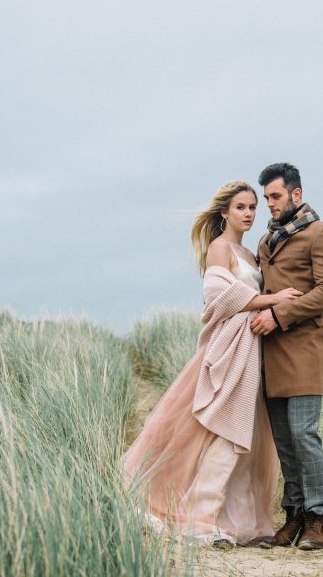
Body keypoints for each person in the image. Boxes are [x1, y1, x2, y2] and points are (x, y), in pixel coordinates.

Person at [121, 181, 300, 548]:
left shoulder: (250, 255)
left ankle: (227, 522)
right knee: (224, 432)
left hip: (253, 351)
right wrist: (271, 299)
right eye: (241, 207)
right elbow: (217, 295)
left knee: (245, 437)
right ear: (224, 213)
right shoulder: (220, 248)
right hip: (230, 348)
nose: (249, 213)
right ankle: (200, 523)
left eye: (253, 207)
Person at [251, 163, 323, 550]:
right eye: (266, 198)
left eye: (275, 196)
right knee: (285, 442)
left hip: (305, 352)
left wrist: (278, 314)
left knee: (304, 435)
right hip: (269, 357)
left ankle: (317, 521)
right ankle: (293, 517)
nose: (269, 204)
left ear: (296, 195)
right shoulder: (265, 241)